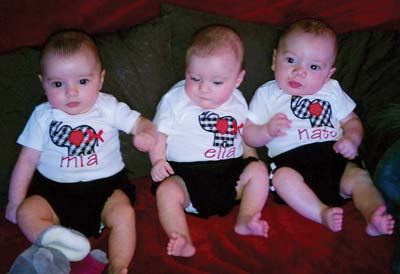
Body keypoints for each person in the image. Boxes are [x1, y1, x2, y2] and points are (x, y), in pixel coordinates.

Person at [5, 30, 158, 274]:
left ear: (101, 78)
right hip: (53, 192)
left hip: (106, 188)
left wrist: (145, 134)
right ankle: (60, 240)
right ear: (43, 83)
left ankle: (118, 266)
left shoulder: (107, 107)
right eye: (58, 84)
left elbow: (142, 123)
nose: (71, 91)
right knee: (27, 212)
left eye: (83, 81)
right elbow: (27, 160)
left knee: (124, 215)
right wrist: (14, 201)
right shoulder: (43, 116)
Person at [243, 18, 395, 235]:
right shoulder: (267, 94)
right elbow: (248, 134)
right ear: (275, 59)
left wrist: (352, 139)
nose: (299, 71)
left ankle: (372, 214)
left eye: (313, 67)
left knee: (359, 178)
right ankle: (321, 212)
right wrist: (265, 131)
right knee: (281, 178)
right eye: (291, 60)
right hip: (292, 162)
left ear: (328, 74)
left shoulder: (332, 90)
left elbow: (352, 121)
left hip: (335, 157)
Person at [149, 25, 270, 257]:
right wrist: (157, 161)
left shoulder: (238, 100)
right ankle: (182, 237)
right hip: (186, 177)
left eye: (217, 82)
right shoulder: (175, 99)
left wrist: (252, 159)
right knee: (166, 191)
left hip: (230, 173)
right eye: (194, 78)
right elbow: (159, 134)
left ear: (238, 79)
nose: (204, 89)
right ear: (186, 70)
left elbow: (243, 134)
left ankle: (246, 217)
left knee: (259, 171)